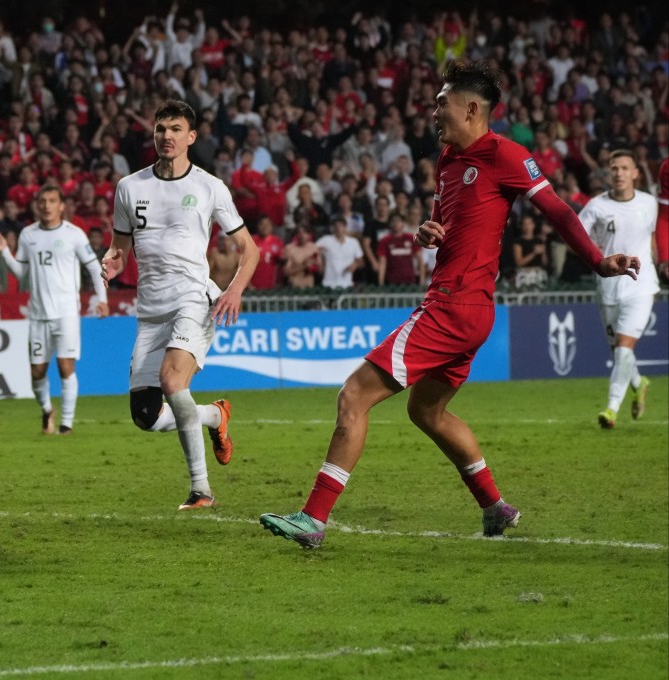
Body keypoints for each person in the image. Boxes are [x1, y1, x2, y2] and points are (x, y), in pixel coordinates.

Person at [259, 60, 641, 549]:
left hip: (454, 305)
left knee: (353, 396)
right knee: (428, 411)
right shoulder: (447, 160)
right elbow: (443, 223)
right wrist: (427, 232)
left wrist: (597, 262)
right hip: (468, 308)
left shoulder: (507, 154)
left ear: (473, 108)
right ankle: (495, 508)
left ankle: (313, 518)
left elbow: (559, 212)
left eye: (443, 103)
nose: (434, 111)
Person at [102, 99, 259, 510]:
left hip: (192, 298)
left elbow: (250, 249)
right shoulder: (129, 187)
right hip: (150, 310)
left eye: (175, 129)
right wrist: (111, 261)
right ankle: (214, 416)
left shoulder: (209, 187)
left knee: (174, 383)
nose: (166, 136)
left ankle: (201, 490)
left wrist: (233, 290)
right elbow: (120, 247)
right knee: (146, 417)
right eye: (160, 129)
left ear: (191, 137)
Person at [0, 186, 109, 435]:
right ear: (37, 205)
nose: (46, 205)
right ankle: (46, 410)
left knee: (66, 366)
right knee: (37, 372)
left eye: (52, 201)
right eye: (42, 201)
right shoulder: (27, 234)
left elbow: (93, 266)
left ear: (61, 206)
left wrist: (102, 297)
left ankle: (66, 423)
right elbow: (22, 273)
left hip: (66, 312)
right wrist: (4, 253)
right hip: (38, 314)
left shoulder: (74, 234)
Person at [577, 150, 659, 428]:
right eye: (614, 168)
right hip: (608, 287)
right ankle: (639, 382)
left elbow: (656, 236)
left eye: (625, 168)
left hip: (641, 285)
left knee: (624, 347)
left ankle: (611, 409)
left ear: (636, 173)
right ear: (608, 173)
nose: (619, 173)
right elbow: (578, 238)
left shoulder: (650, 204)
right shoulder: (596, 207)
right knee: (618, 351)